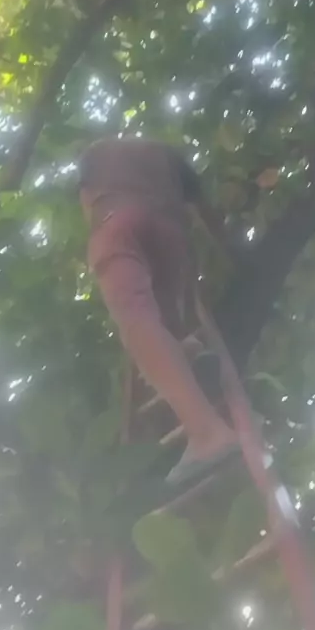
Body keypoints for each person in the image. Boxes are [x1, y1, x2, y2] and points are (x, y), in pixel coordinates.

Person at [78, 136, 239, 484]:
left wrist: (100, 238)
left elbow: (88, 203)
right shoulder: (165, 154)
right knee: (166, 318)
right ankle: (189, 351)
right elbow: (203, 208)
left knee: (137, 321)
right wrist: (231, 251)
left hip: (118, 221)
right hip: (171, 232)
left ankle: (207, 433)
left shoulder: (95, 154)